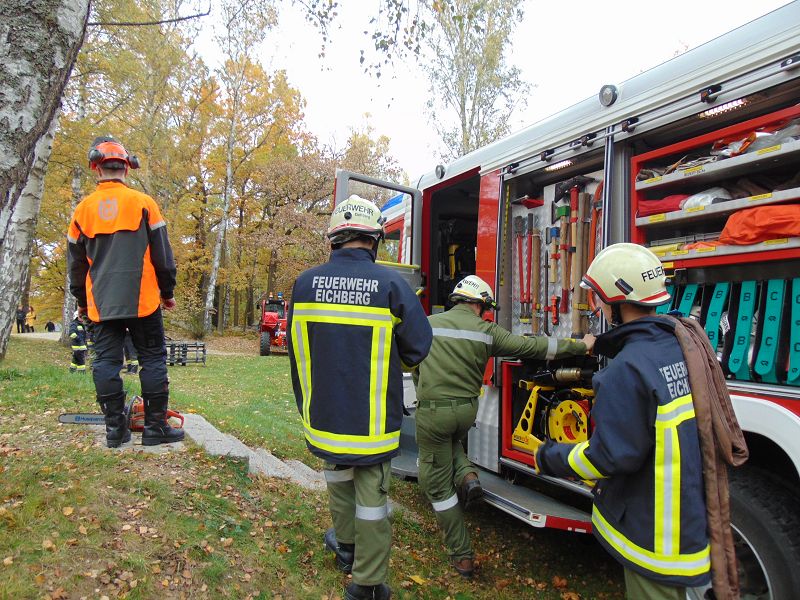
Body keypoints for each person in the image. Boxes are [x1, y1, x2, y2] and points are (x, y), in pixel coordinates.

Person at [535, 243, 711, 600]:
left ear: (618, 300)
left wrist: (548, 456)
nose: (597, 306)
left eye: (599, 298)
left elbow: (608, 457)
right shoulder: (679, 345)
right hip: (688, 524)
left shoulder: (625, 372)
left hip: (654, 539)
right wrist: (603, 344)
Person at [287, 195, 433, 600]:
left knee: (338, 480)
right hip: (371, 424)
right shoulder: (391, 285)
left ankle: (346, 547)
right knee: (372, 500)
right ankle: (366, 585)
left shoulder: (303, 283)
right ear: (375, 241)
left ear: (335, 239)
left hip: (323, 415)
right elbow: (419, 346)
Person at [413, 274, 595, 578]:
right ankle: (469, 476)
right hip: (466, 413)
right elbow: (533, 347)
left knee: (437, 485)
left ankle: (462, 555)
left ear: (458, 299)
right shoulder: (487, 332)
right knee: (451, 443)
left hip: (433, 413)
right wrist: (578, 346)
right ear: (480, 305)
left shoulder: (429, 324)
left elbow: (412, 361)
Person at [67, 136, 181, 448]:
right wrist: (167, 291)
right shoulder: (144, 204)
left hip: (100, 302)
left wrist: (81, 301)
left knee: (105, 360)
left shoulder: (83, 211)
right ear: (127, 169)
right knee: (152, 357)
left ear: (95, 167)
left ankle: (115, 430)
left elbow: (77, 266)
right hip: (143, 299)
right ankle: (156, 428)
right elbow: (163, 256)